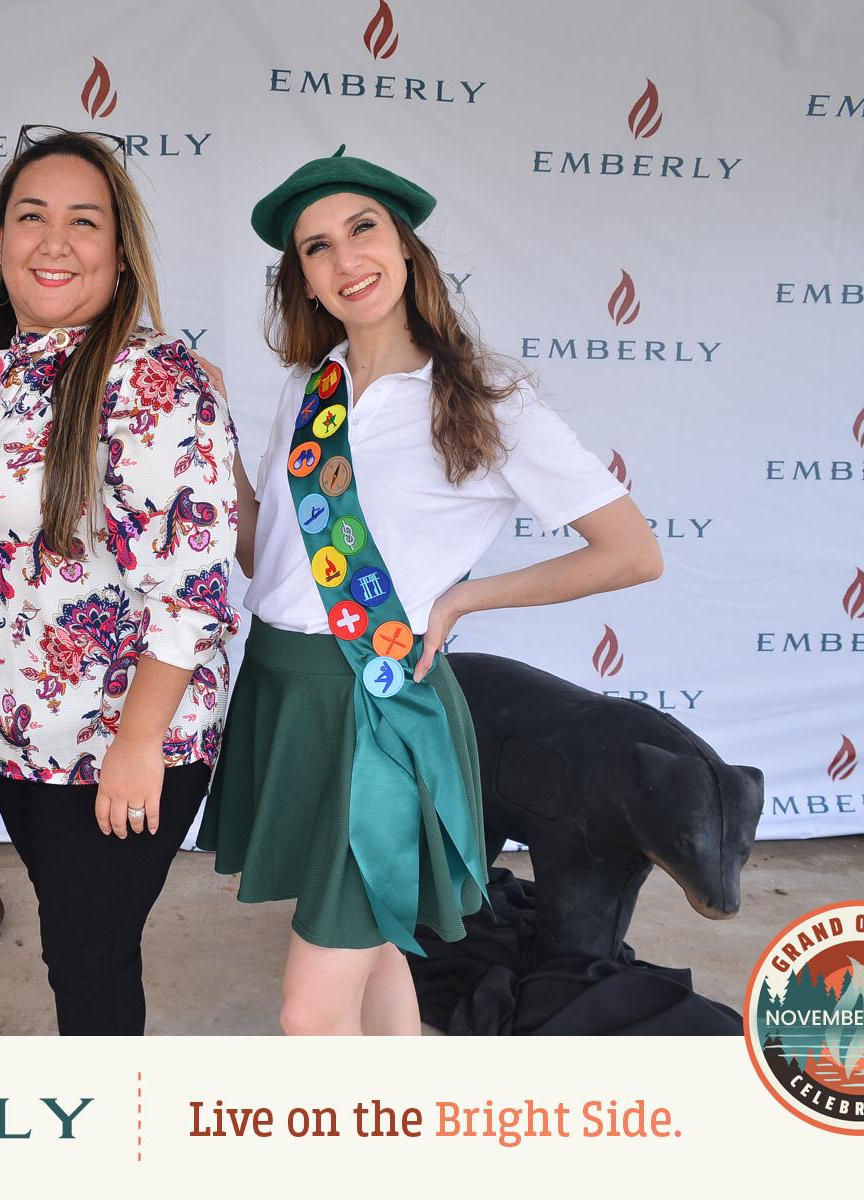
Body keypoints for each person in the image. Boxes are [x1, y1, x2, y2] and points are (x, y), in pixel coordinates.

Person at [199, 147, 664, 1035]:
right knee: (376, 953)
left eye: (362, 230)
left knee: (309, 1015)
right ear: (301, 278)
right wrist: (211, 440)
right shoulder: (312, 385)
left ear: (406, 247)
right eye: (316, 248)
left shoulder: (487, 396)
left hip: (377, 709)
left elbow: (631, 552)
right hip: (283, 690)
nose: (345, 261)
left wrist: (458, 603)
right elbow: (268, 557)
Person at [0, 128, 238, 1035]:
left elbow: (195, 585)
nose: (55, 242)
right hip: (13, 737)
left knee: (87, 966)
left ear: (120, 253)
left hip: (122, 744)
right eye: (31, 217)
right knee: (81, 951)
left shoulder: (152, 380)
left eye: (83, 221)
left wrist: (135, 746)